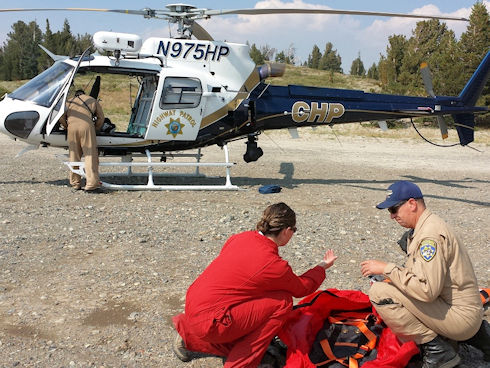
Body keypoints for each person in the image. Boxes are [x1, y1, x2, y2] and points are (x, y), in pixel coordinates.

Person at [172, 202, 337, 368]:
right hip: (212, 321)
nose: (293, 234)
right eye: (294, 230)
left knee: (261, 298)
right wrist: (321, 266)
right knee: (282, 302)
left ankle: (189, 337)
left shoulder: (241, 237)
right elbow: (302, 288)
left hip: (195, 305)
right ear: (287, 230)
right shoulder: (273, 264)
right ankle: (241, 363)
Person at [360, 180, 489, 368]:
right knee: (392, 284)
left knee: (380, 292)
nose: (392, 216)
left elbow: (426, 291)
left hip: (461, 317)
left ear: (412, 204)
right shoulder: (426, 226)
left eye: (394, 209)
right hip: (464, 310)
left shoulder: (430, 236)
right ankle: (480, 337)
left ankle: (438, 352)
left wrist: (387, 268)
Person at [59, 89, 105, 193]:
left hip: (71, 127)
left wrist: (67, 126)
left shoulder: (69, 101)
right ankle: (91, 184)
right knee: (90, 154)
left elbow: (61, 117)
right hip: (86, 126)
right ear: (84, 94)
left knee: (74, 154)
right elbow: (101, 118)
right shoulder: (92, 100)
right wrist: (96, 128)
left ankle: (75, 183)